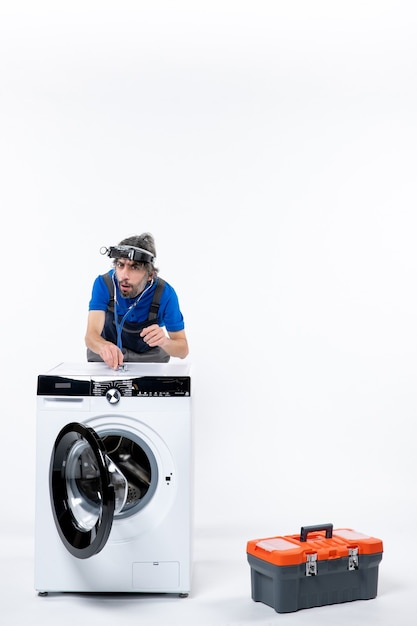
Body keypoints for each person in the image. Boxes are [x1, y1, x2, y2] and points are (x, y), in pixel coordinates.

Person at [85, 233, 189, 369]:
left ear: (150, 275)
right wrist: (103, 346)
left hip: (148, 361)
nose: (124, 275)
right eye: (120, 265)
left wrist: (165, 342)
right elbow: (91, 335)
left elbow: (183, 350)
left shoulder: (165, 294)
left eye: (134, 267)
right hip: (109, 361)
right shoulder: (104, 284)